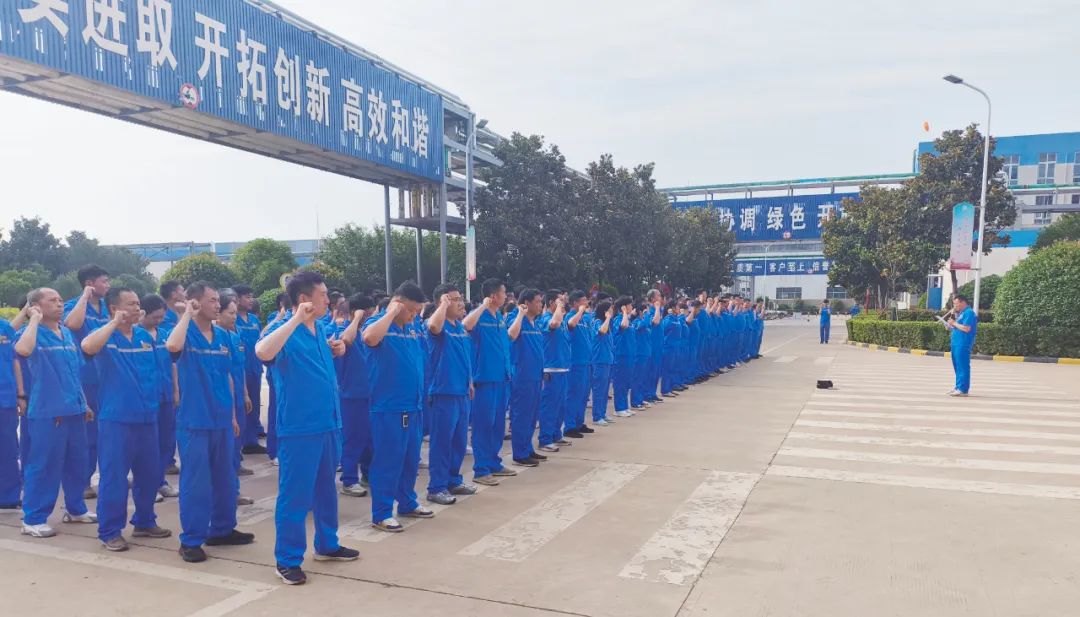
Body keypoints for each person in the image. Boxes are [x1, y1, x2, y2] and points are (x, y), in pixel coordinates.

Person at [256, 271, 358, 585]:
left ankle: (327, 544)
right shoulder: (284, 329)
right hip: (299, 429)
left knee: (326, 490)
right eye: (323, 295)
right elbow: (263, 351)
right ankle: (287, 559)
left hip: (328, 424)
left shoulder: (321, 329)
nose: (328, 300)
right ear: (304, 299)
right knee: (295, 496)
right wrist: (296, 320)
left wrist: (334, 347)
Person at [166, 282, 253, 563]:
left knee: (225, 479)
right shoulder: (185, 332)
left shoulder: (225, 336)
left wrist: (232, 416)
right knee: (196, 483)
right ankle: (191, 540)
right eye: (212, 300)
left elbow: (228, 376)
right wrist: (186, 315)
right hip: (195, 421)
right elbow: (172, 347)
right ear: (195, 302)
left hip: (222, 420)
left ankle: (222, 529)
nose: (218, 305)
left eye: (218, 300)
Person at [81, 288, 172, 551]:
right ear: (114, 308)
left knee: (149, 474)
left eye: (137, 303)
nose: (137, 308)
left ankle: (144, 521)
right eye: (130, 304)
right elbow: (87, 347)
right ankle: (110, 531)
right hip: (117, 420)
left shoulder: (144, 336)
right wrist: (113, 323)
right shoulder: (105, 335)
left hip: (147, 417)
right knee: (114, 477)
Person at [16, 288, 96, 538]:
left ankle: (75, 508)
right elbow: (23, 351)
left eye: (61, 300)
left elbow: (75, 372)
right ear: (36, 305)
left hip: (74, 409)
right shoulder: (31, 333)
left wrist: (84, 403)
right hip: (48, 411)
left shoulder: (66, 334)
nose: (60, 304)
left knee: (77, 462)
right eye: (52, 300)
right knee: (44, 465)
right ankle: (33, 518)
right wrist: (34, 319)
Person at [362, 282, 434, 532]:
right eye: (411, 310)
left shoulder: (412, 327)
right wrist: (391, 312)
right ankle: (381, 513)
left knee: (410, 458)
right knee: (388, 460)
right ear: (398, 304)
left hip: (413, 404)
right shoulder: (379, 324)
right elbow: (369, 338)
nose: (414, 315)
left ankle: (407, 502)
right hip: (390, 407)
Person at [463, 279, 518, 486]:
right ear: (494, 296)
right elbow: (465, 325)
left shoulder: (499, 318)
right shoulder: (479, 316)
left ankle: (494, 462)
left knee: (497, 425)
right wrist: (482, 306)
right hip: (484, 379)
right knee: (483, 425)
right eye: (504, 293)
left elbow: (508, 340)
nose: (507, 296)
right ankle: (481, 469)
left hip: (502, 378)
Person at [62, 264, 111, 499]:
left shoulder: (107, 307)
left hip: (107, 376)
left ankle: (109, 475)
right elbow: (72, 324)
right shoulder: (75, 305)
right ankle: (82, 481)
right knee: (87, 434)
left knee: (108, 431)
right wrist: (84, 297)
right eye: (104, 281)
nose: (108, 285)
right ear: (89, 283)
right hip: (86, 376)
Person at [425, 284, 476, 505]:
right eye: (455, 299)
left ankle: (453, 480)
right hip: (443, 392)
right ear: (442, 302)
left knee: (459, 441)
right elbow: (433, 326)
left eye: (460, 298)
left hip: (461, 391)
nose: (461, 303)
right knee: (442, 442)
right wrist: (443, 306)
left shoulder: (460, 328)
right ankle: (436, 487)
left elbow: (465, 357)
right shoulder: (439, 325)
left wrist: (470, 381)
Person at [334, 294, 374, 497]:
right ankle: (349, 480)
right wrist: (356, 318)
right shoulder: (344, 331)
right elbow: (345, 340)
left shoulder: (367, 333)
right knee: (353, 439)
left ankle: (368, 474)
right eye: (368, 313)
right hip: (350, 395)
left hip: (369, 394)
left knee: (369, 439)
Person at [139, 294, 180, 498]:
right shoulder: (135, 335)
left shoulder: (164, 335)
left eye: (161, 317)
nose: (159, 320)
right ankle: (147, 485)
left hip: (166, 395)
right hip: (146, 398)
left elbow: (172, 363)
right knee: (147, 445)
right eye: (155, 317)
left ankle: (160, 481)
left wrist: (175, 390)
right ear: (143, 314)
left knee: (165, 441)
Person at [508, 289, 545, 465]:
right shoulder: (517, 318)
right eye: (537, 301)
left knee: (532, 415)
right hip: (522, 375)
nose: (540, 305)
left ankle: (527, 448)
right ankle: (520, 453)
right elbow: (511, 335)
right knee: (521, 414)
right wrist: (520, 314)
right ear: (526, 303)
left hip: (535, 375)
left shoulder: (534, 323)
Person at [537, 290, 572, 453]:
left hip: (563, 367)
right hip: (551, 369)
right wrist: (558, 307)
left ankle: (556, 434)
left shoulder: (561, 320)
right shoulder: (546, 319)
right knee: (549, 406)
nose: (563, 303)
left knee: (561, 406)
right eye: (559, 301)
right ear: (551, 302)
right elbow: (553, 324)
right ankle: (545, 439)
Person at [233, 285, 266, 455]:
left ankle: (251, 441)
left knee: (254, 405)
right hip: (239, 370)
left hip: (255, 369)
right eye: (247, 297)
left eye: (251, 296)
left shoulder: (254, 320)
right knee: (239, 407)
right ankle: (237, 443)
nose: (251, 300)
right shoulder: (232, 319)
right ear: (237, 299)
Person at [562, 291, 593, 439]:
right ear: (575, 303)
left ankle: (579, 422)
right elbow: (570, 325)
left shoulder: (585, 319)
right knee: (573, 394)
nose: (586, 303)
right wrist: (580, 311)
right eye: (583, 301)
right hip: (575, 362)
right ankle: (569, 426)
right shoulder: (570, 316)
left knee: (583, 395)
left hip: (586, 361)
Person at [946, 294, 978, 397]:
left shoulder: (969, 313)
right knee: (957, 365)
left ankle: (963, 389)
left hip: (963, 343)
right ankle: (958, 387)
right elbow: (958, 327)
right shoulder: (961, 313)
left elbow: (966, 328)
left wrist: (954, 323)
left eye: (956, 304)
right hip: (956, 343)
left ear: (963, 302)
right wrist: (950, 325)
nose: (955, 306)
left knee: (962, 366)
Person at [589, 301, 615, 425]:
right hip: (599, 360)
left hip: (607, 359)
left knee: (605, 390)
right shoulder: (597, 322)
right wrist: (608, 318)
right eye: (610, 309)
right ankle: (597, 416)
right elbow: (601, 331)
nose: (612, 311)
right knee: (599, 389)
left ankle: (602, 413)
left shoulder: (608, 324)